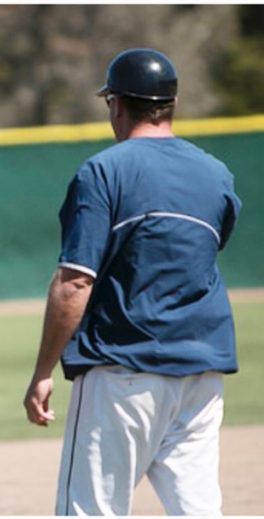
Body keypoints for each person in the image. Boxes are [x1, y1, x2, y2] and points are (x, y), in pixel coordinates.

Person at [23, 48, 242, 515]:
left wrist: (43, 371)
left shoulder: (104, 171)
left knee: (90, 509)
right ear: (171, 105)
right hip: (201, 375)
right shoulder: (216, 174)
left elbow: (74, 283)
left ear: (117, 105)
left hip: (123, 371)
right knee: (198, 509)